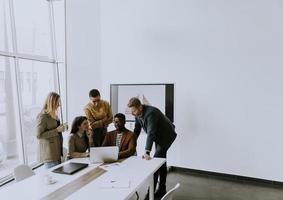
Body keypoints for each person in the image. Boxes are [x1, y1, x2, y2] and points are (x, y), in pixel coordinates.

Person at [127, 97, 177, 199]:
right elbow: (137, 130)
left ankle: (150, 194)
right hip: (158, 136)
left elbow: (151, 133)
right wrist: (130, 144)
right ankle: (162, 189)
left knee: (155, 163)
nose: (133, 113)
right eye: (131, 111)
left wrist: (147, 151)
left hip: (166, 136)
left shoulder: (151, 113)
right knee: (161, 161)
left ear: (140, 107)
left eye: (134, 110)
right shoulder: (137, 114)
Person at [36, 92, 67, 169]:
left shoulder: (53, 114)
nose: (59, 105)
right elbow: (38, 135)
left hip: (56, 152)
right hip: (50, 154)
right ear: (52, 102)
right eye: (57, 102)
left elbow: (55, 128)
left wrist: (61, 127)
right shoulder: (43, 116)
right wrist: (56, 130)